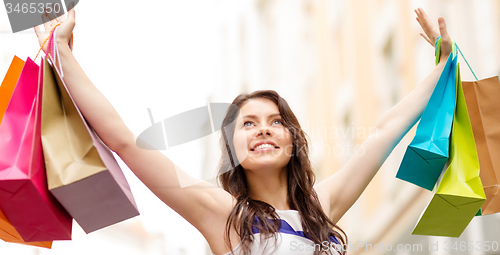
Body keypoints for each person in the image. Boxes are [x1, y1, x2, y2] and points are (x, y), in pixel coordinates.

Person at [33, 7, 451, 255]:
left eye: (275, 122)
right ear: (232, 148)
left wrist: (441, 68)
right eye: (248, 124)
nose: (263, 131)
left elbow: (383, 133)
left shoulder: (324, 206)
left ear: (293, 142)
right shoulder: (221, 215)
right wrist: (63, 53)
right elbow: (124, 140)